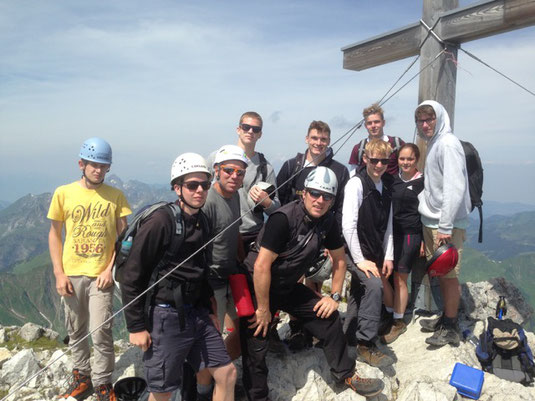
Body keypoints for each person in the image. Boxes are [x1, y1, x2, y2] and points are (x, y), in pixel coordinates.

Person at [240, 167, 385, 400]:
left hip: (285, 285)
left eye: (327, 196)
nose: (320, 200)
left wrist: (334, 297)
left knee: (328, 318)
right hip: (258, 286)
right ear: (303, 193)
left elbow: (339, 261)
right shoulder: (283, 220)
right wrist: (264, 309)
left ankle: (346, 373)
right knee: (257, 342)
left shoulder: (328, 222)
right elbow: (261, 266)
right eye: (315, 194)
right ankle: (256, 396)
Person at [119, 153, 236, 401]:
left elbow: (199, 269)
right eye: (192, 185)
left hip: (197, 313)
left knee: (226, 374)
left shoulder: (201, 220)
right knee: (163, 392)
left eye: (204, 185)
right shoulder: (160, 222)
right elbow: (132, 275)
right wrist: (136, 326)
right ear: (177, 187)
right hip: (165, 316)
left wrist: (210, 310)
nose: (200, 191)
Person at [48, 137, 132, 401]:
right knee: (76, 330)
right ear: (81, 164)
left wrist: (110, 270)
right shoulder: (63, 193)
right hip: (71, 273)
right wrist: (59, 273)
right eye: (93, 164)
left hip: (100, 276)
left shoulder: (115, 196)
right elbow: (54, 234)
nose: (98, 170)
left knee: (101, 331)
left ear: (108, 168)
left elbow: (124, 238)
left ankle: (103, 383)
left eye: (103, 166)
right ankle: (81, 376)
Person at [276, 120, 349, 348]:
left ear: (329, 142)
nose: (319, 143)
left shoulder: (339, 170)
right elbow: (281, 199)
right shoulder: (292, 166)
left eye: (323, 139)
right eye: (315, 138)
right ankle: (297, 327)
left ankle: (313, 327)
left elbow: (340, 206)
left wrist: (331, 239)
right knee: (289, 281)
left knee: (315, 281)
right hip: (289, 235)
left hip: (322, 232)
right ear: (307, 139)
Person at [415, 100, 471, 347]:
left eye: (429, 119)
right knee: (440, 272)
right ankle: (445, 319)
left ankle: (451, 325)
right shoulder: (435, 142)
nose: (425, 125)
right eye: (420, 121)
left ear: (439, 118)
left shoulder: (448, 143)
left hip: (444, 224)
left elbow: (454, 187)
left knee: (448, 275)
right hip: (433, 219)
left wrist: (446, 227)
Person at [342, 139, 395, 368]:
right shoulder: (356, 184)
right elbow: (348, 226)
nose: (379, 165)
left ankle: (348, 335)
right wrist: (360, 260)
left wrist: (389, 255)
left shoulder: (385, 185)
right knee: (374, 287)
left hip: (373, 252)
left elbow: (389, 224)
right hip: (355, 251)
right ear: (365, 159)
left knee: (358, 292)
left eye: (384, 161)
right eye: (374, 160)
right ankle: (366, 343)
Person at [380, 143, 424, 344]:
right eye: (402, 159)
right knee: (384, 275)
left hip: (410, 234)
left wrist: (423, 240)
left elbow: (427, 213)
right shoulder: (392, 180)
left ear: (416, 160)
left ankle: (398, 321)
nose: (405, 162)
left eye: (410, 159)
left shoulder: (422, 182)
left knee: (399, 278)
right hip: (391, 234)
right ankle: (390, 314)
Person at [234, 111, 280, 253]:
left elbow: (277, 207)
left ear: (260, 134)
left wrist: (266, 202)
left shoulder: (265, 168)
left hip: (252, 234)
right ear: (238, 129)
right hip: (222, 232)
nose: (250, 131)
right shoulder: (218, 158)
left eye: (256, 129)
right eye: (246, 127)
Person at [348, 103, 405, 176]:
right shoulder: (359, 149)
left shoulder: (397, 144)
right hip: (368, 187)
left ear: (383, 123)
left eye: (376, 122)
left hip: (393, 187)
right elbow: (353, 174)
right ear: (365, 126)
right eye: (369, 123)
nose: (373, 126)